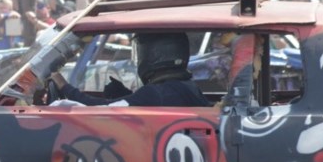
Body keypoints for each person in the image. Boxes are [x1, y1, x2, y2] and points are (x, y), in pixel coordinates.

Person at [50, 32, 212, 107]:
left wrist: (65, 87)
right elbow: (141, 103)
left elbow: (100, 109)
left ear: (153, 53)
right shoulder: (186, 87)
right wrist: (125, 94)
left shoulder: (157, 93)